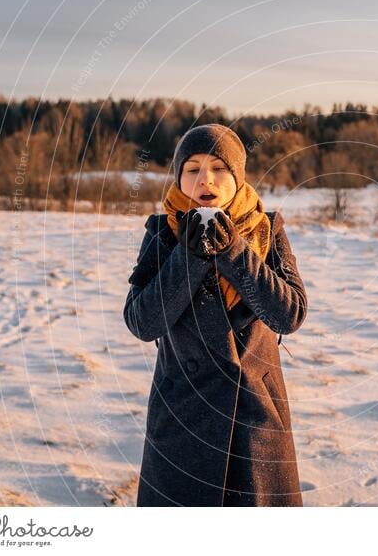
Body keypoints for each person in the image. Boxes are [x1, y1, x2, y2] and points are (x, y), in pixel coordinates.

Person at [123, 123, 307, 506]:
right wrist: (188, 257)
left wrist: (233, 251)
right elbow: (143, 322)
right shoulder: (163, 234)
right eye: (192, 169)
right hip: (183, 420)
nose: (205, 179)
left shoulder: (267, 230)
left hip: (256, 418)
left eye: (218, 168)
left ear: (237, 177)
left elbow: (288, 314)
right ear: (180, 178)